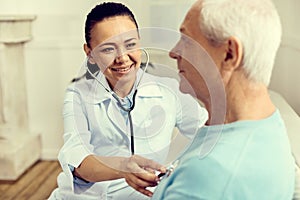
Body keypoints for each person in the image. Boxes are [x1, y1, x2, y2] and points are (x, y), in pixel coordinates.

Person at [48, 2, 208, 200]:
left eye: (130, 44)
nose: (122, 58)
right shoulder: (77, 95)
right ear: (89, 53)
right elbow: (78, 161)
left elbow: (208, 132)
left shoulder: (169, 90)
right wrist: (123, 168)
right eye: (108, 49)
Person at [151, 0, 295, 199]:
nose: (174, 52)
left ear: (229, 54)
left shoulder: (212, 173)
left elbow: (211, 179)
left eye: (186, 41)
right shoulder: (267, 123)